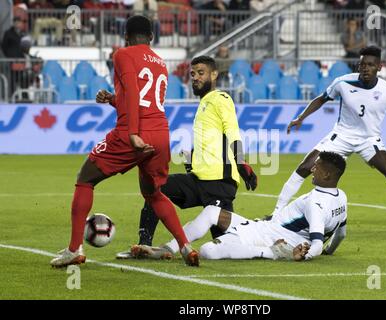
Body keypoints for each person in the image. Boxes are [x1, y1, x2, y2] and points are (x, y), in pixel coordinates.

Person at [50, 15, 199, 268]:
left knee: (85, 178)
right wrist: (112, 99)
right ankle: (185, 246)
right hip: (161, 133)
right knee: (153, 193)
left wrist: (132, 133)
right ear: (151, 37)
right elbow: (143, 100)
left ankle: (74, 249)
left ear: (126, 37)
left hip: (134, 133)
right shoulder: (160, 63)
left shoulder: (123, 54)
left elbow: (131, 91)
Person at [116, 55, 258, 259]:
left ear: (214, 74)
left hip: (219, 184)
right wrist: (192, 160)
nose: (196, 77)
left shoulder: (221, 99)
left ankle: (273, 243)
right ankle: (143, 246)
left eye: (201, 73)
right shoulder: (203, 104)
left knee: (228, 244)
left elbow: (233, 133)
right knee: (155, 189)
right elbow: (212, 143)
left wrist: (241, 162)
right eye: (192, 74)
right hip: (200, 181)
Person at [273, 46, 386, 231]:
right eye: (362, 64)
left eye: (370, 65)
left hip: (369, 139)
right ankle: (277, 212)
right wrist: (301, 117)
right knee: (305, 167)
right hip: (341, 136)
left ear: (379, 67)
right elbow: (321, 99)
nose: (365, 68)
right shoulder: (343, 82)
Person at [133, 152, 347, 262]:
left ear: (327, 174)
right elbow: (341, 234)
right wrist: (329, 252)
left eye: (317, 166)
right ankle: (168, 249)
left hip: (266, 239)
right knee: (211, 211)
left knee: (208, 250)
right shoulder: (341, 198)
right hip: (264, 227)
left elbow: (317, 243)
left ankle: (270, 253)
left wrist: (305, 254)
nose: (312, 169)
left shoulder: (316, 203)